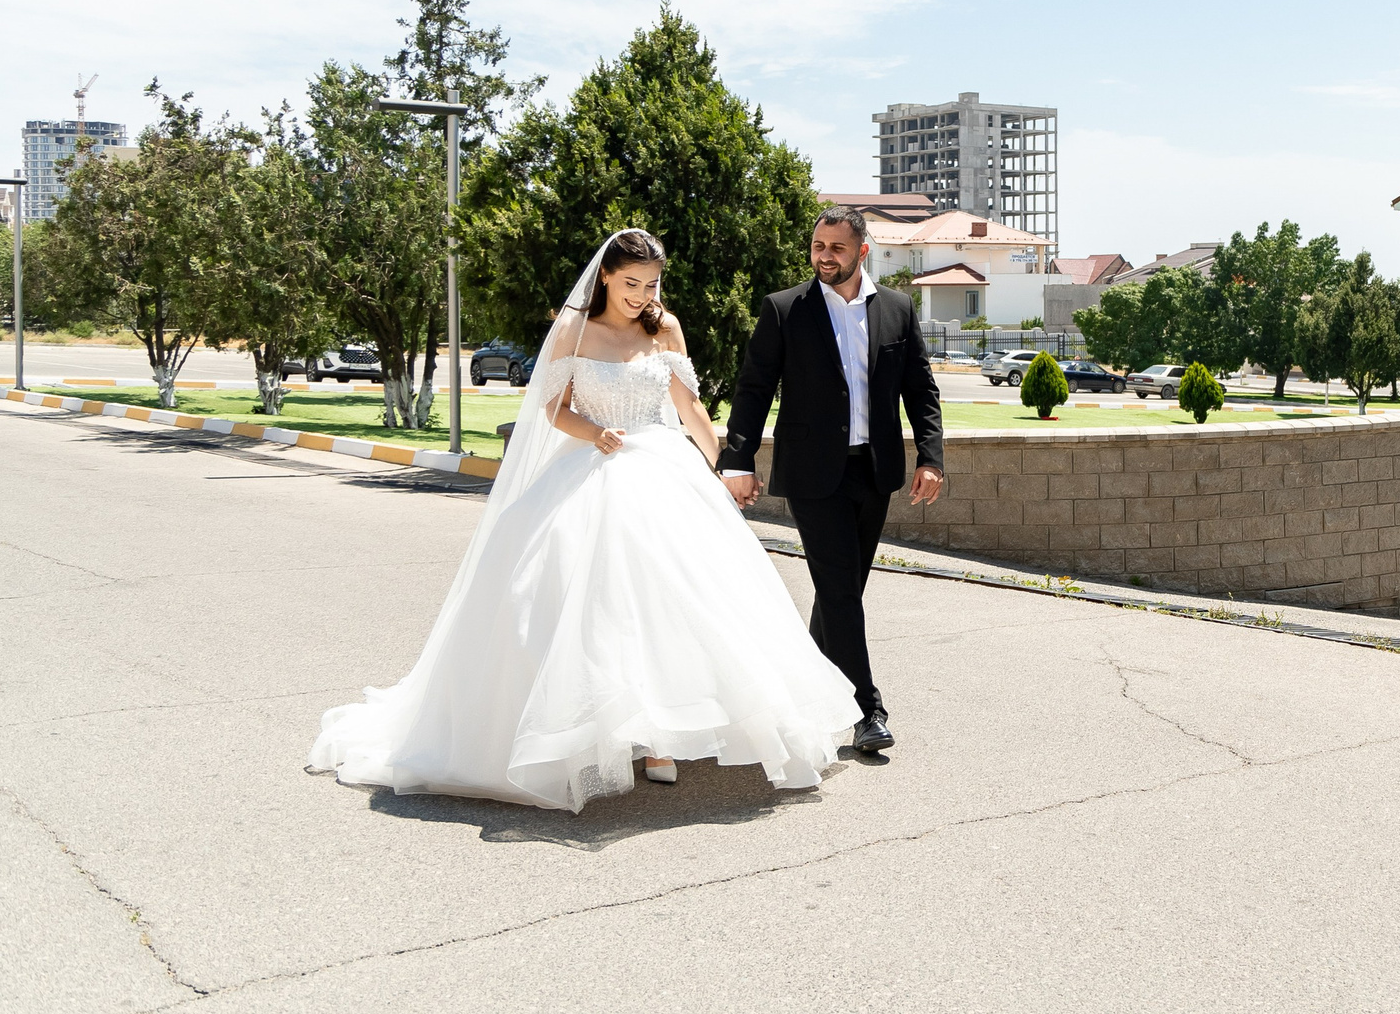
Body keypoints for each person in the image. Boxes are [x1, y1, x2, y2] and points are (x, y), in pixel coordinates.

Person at [308, 230, 862, 812]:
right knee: (594, 606)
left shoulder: (665, 327)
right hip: (593, 467)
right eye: (631, 284)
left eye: (651, 285)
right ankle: (593, 732)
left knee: (678, 601)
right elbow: (552, 408)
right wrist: (595, 433)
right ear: (605, 277)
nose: (642, 295)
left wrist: (722, 466)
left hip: (665, 471)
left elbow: (689, 406)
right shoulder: (574, 330)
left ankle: (663, 740)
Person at [719, 206, 945, 754]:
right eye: (818, 246)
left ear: (862, 251)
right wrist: (737, 460)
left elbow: (920, 388)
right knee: (840, 589)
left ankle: (803, 691)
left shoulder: (897, 309)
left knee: (840, 590)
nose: (824, 256)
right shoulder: (783, 309)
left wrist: (930, 457)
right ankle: (867, 710)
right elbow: (754, 388)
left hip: (875, 470)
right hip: (811, 472)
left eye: (836, 248)